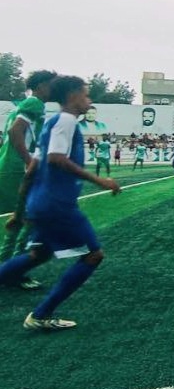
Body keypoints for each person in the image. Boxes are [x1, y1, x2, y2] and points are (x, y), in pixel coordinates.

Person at [0, 75, 121, 330]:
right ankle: (41, 315)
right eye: (86, 94)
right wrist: (100, 181)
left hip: (41, 204)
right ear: (72, 95)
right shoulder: (65, 121)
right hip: (58, 205)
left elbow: (33, 169)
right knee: (93, 255)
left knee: (38, 253)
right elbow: (56, 159)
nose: (89, 100)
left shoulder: (51, 124)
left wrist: (21, 211)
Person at [0, 70, 58, 291]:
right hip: (18, 168)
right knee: (28, 219)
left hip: (9, 166)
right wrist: (28, 161)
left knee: (18, 220)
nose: (55, 89)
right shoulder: (34, 103)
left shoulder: (23, 106)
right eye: (52, 85)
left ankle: (8, 269)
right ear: (41, 85)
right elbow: (17, 132)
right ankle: (13, 271)